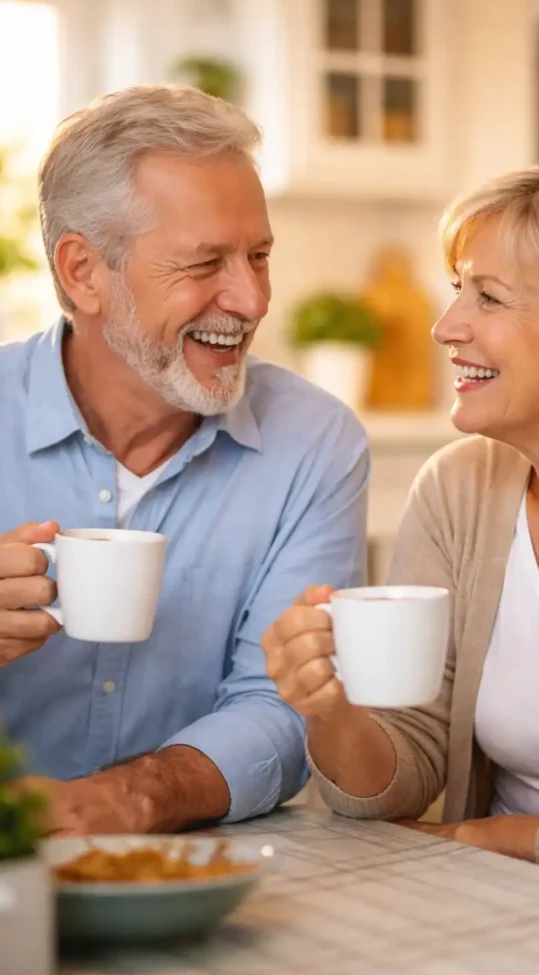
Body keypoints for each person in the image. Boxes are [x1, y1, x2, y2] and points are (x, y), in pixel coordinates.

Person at [264, 152, 539, 899]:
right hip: (494, 906)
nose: (443, 327)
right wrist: (330, 711)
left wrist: (466, 839)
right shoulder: (459, 488)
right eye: (459, 290)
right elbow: (397, 778)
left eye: (487, 299)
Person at [0, 85, 369, 835]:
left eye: (259, 256)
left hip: (195, 865)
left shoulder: (316, 441)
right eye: (205, 263)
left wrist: (132, 799)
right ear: (83, 272)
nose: (251, 298)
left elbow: (280, 704)